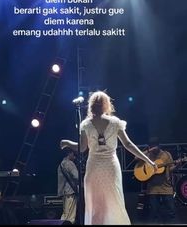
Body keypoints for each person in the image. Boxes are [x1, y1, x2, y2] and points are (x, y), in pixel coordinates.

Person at [60, 90, 157, 225]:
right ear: (106, 105)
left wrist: (67, 143)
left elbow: (82, 148)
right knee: (113, 201)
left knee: (95, 203)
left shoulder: (86, 125)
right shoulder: (115, 122)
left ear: (91, 105)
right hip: (111, 167)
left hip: (93, 168)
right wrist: (148, 160)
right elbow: (128, 144)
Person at [143, 136, 179, 224]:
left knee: (171, 212)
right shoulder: (147, 155)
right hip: (152, 189)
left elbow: (170, 169)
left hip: (166, 187)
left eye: (155, 146)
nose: (154, 148)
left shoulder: (166, 154)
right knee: (154, 213)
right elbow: (135, 158)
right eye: (151, 146)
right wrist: (149, 151)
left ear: (159, 145)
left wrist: (177, 165)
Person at [57, 147, 79, 224]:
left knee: (66, 213)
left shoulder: (61, 164)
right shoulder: (69, 163)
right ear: (69, 153)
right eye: (74, 154)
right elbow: (77, 176)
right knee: (70, 216)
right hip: (70, 191)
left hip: (64, 192)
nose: (75, 157)